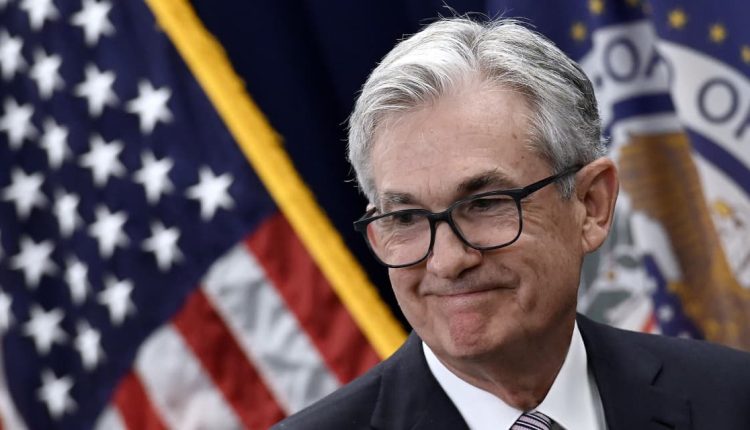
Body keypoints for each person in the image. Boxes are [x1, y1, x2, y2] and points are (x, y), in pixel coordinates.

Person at [273, 17, 750, 430]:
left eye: (484, 204)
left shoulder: (733, 400)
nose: (447, 261)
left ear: (591, 204)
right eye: (407, 217)